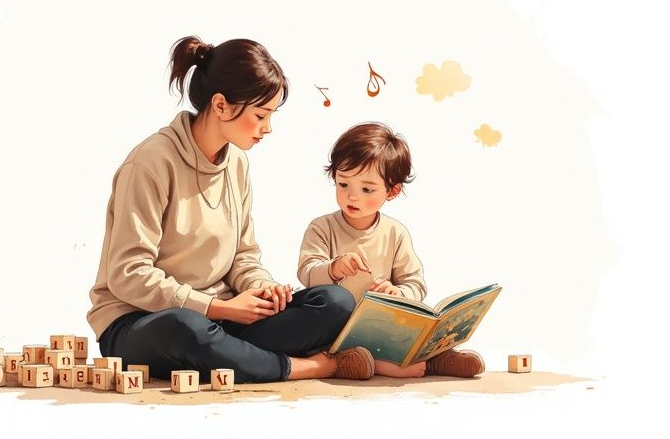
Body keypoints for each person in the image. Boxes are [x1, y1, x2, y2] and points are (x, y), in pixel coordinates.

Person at [86, 36, 374, 383]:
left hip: (222, 320)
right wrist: (215, 308)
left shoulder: (236, 163)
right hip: (141, 322)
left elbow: (243, 255)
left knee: (335, 302)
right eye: (260, 115)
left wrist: (264, 289)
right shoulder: (150, 163)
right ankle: (303, 366)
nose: (267, 128)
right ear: (221, 106)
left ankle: (233, 357)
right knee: (185, 326)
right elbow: (128, 274)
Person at [296, 122, 485, 378]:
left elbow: (415, 284)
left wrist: (398, 293)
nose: (352, 196)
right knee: (329, 343)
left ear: (393, 191)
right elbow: (306, 273)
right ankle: (388, 366)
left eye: (366, 189)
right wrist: (333, 267)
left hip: (384, 328)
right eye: (343, 184)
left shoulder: (395, 233)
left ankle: (435, 358)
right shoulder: (322, 227)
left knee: (414, 333)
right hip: (336, 330)